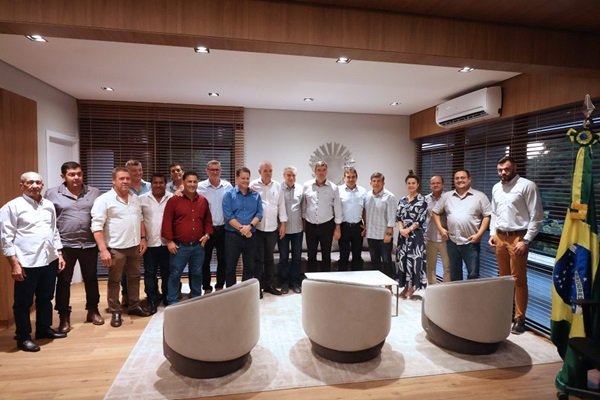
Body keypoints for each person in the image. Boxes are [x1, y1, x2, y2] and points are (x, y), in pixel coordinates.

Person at [1, 172, 67, 352]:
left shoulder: (49, 205)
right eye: (30, 182)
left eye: (38, 182)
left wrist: (59, 253)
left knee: (46, 297)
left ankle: (43, 329)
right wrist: (14, 263)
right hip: (26, 262)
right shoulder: (12, 207)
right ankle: (23, 337)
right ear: (21, 185)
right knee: (23, 303)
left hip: (49, 259)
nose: (35, 186)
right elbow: (6, 238)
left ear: (42, 185)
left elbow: (53, 231)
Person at [44, 161, 103, 332]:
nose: (76, 177)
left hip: (89, 244)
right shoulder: (51, 194)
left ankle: (93, 310)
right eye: (71, 174)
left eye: (79, 174)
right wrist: (55, 249)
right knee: (64, 281)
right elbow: (48, 221)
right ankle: (64, 316)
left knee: (91, 278)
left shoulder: (94, 192)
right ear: (63, 176)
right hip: (65, 245)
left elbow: (100, 217)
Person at [488, 155, 543, 334]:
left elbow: (536, 216)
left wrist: (526, 240)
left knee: (518, 280)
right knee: (504, 279)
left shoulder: (527, 186)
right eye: (500, 170)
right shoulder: (496, 187)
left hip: (518, 238)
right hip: (500, 237)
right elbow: (494, 213)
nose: (503, 172)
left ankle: (520, 319)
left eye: (506, 169)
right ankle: (506, 313)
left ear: (515, 168)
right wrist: (492, 233)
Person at [91, 167, 151, 328]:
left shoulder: (134, 198)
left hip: (134, 246)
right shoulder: (104, 200)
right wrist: (103, 250)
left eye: (127, 178)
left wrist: (143, 238)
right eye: (121, 178)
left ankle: (134, 305)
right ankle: (115, 310)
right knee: (114, 281)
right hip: (115, 248)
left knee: (134, 277)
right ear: (113, 181)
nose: (125, 181)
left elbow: (140, 219)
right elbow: (96, 227)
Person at [161, 171, 213, 305]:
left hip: (198, 246)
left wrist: (207, 235)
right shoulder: (173, 201)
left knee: (197, 273)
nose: (192, 184)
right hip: (179, 246)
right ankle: (172, 301)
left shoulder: (203, 201)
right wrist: (169, 241)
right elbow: (167, 221)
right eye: (189, 181)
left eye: (195, 182)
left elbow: (208, 220)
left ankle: (196, 298)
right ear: (183, 182)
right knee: (175, 274)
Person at [432, 169, 491, 281]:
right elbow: (435, 212)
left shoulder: (480, 196)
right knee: (455, 275)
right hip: (452, 241)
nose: (460, 180)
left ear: (469, 179)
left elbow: (487, 216)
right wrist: (441, 229)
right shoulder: (447, 196)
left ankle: (471, 293)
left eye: (462, 178)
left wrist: (479, 234)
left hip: (471, 242)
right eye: (457, 178)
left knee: (473, 275)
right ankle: (457, 293)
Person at [250, 161, 287, 296]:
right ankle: (257, 288)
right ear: (259, 172)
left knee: (269, 259)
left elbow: (281, 206)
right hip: (258, 228)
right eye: (265, 170)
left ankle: (269, 285)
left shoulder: (277, 186)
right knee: (258, 259)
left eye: (270, 170)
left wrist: (283, 224)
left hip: (272, 228)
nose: (268, 173)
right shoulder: (253, 185)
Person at [222, 167, 263, 289]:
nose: (245, 180)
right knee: (230, 267)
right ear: (237, 178)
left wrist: (249, 227)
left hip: (251, 236)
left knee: (249, 267)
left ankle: (245, 292)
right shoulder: (228, 195)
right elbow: (228, 216)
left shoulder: (256, 195)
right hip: (232, 236)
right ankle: (231, 293)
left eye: (247, 178)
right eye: (243, 178)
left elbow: (259, 214)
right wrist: (242, 229)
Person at [197, 160, 233, 293]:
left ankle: (219, 286)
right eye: (212, 169)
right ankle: (206, 287)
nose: (214, 172)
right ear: (207, 171)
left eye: (217, 169)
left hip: (223, 228)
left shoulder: (228, 186)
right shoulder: (200, 187)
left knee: (223, 259)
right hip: (206, 230)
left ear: (220, 171)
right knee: (204, 260)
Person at [140, 173, 173, 313]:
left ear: (165, 184)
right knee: (150, 273)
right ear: (151, 184)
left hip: (167, 243)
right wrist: (142, 238)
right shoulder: (142, 199)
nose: (158, 185)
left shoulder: (172, 198)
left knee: (168, 273)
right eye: (155, 182)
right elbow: (139, 220)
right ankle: (152, 299)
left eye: (161, 182)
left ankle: (167, 297)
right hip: (150, 243)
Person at [302, 161, 342, 272]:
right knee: (311, 255)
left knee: (326, 255)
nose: (321, 172)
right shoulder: (307, 186)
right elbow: (304, 206)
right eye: (319, 170)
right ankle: (312, 280)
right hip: (310, 225)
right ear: (315, 171)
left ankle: (326, 279)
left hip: (327, 225)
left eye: (324, 170)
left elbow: (337, 208)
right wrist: (303, 223)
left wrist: (337, 227)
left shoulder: (334, 188)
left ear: (327, 171)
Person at [395, 170, 428, 299]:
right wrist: (401, 230)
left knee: (414, 261)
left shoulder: (422, 200)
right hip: (403, 236)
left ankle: (412, 288)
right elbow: (398, 217)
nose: (411, 185)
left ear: (418, 184)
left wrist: (408, 230)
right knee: (403, 261)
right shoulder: (402, 200)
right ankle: (404, 286)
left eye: (413, 183)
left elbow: (421, 220)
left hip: (415, 236)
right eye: (409, 183)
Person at [364, 172, 397, 278]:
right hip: (371, 235)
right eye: (374, 181)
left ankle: (389, 284)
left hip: (384, 236)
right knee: (375, 262)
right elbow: (365, 212)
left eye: (379, 181)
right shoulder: (367, 196)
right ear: (370, 183)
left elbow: (392, 217)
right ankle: (377, 283)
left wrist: (389, 234)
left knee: (387, 261)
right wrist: (365, 226)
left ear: (383, 183)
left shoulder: (390, 197)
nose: (376, 183)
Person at [278, 166, 304, 294]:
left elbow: (303, 208)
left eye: (293, 175)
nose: (291, 177)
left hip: (297, 229)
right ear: (284, 176)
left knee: (296, 257)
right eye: (288, 175)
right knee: (283, 257)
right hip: (283, 230)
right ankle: (284, 283)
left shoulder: (300, 189)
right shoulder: (278, 188)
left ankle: (295, 282)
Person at [338, 167, 367, 271]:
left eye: (353, 177)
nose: (351, 179)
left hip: (358, 227)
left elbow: (364, 209)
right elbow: (335, 209)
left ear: (356, 178)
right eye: (348, 177)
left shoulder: (363, 191)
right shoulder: (338, 190)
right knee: (343, 255)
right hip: (344, 226)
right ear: (344, 178)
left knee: (357, 256)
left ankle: (357, 279)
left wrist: (365, 225)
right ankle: (342, 279)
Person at [424, 175, 450, 283]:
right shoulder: (425, 199)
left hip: (446, 238)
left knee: (447, 268)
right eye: (433, 183)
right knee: (430, 268)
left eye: (438, 183)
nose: (435, 185)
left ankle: (446, 290)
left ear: (443, 184)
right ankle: (433, 289)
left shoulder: (449, 198)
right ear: (430, 185)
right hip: (431, 237)